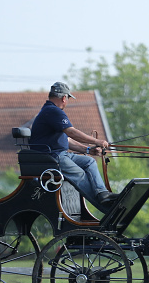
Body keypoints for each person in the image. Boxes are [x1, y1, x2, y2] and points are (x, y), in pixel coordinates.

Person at [29, 82, 117, 210]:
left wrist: (88, 150)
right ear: (64, 98)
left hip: (60, 154)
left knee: (89, 162)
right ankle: (107, 209)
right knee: (80, 174)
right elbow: (72, 132)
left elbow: (67, 139)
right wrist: (96, 141)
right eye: (68, 98)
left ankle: (102, 193)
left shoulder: (49, 111)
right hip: (52, 157)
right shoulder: (53, 111)